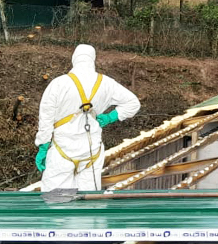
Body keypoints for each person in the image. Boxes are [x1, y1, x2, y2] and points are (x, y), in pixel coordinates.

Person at [35, 44, 141, 191]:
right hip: (92, 151)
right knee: (89, 202)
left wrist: (43, 144)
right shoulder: (106, 83)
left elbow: (46, 116)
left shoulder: (59, 83)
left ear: (74, 59)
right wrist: (111, 117)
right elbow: (133, 103)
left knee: (56, 201)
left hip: (62, 150)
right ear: (93, 60)